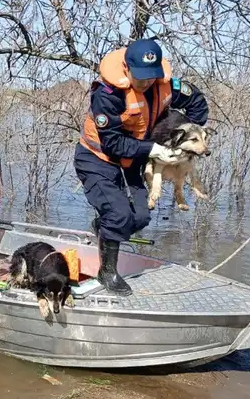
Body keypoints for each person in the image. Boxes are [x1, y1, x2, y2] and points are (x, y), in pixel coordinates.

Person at [75, 39, 209, 296]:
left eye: (151, 76)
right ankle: (107, 273)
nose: (146, 82)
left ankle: (103, 226)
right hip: (97, 160)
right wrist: (154, 149)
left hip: (131, 162)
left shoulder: (168, 86)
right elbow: (112, 142)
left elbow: (198, 104)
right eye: (140, 77)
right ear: (126, 69)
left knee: (141, 217)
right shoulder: (107, 95)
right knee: (119, 215)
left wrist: (182, 133)